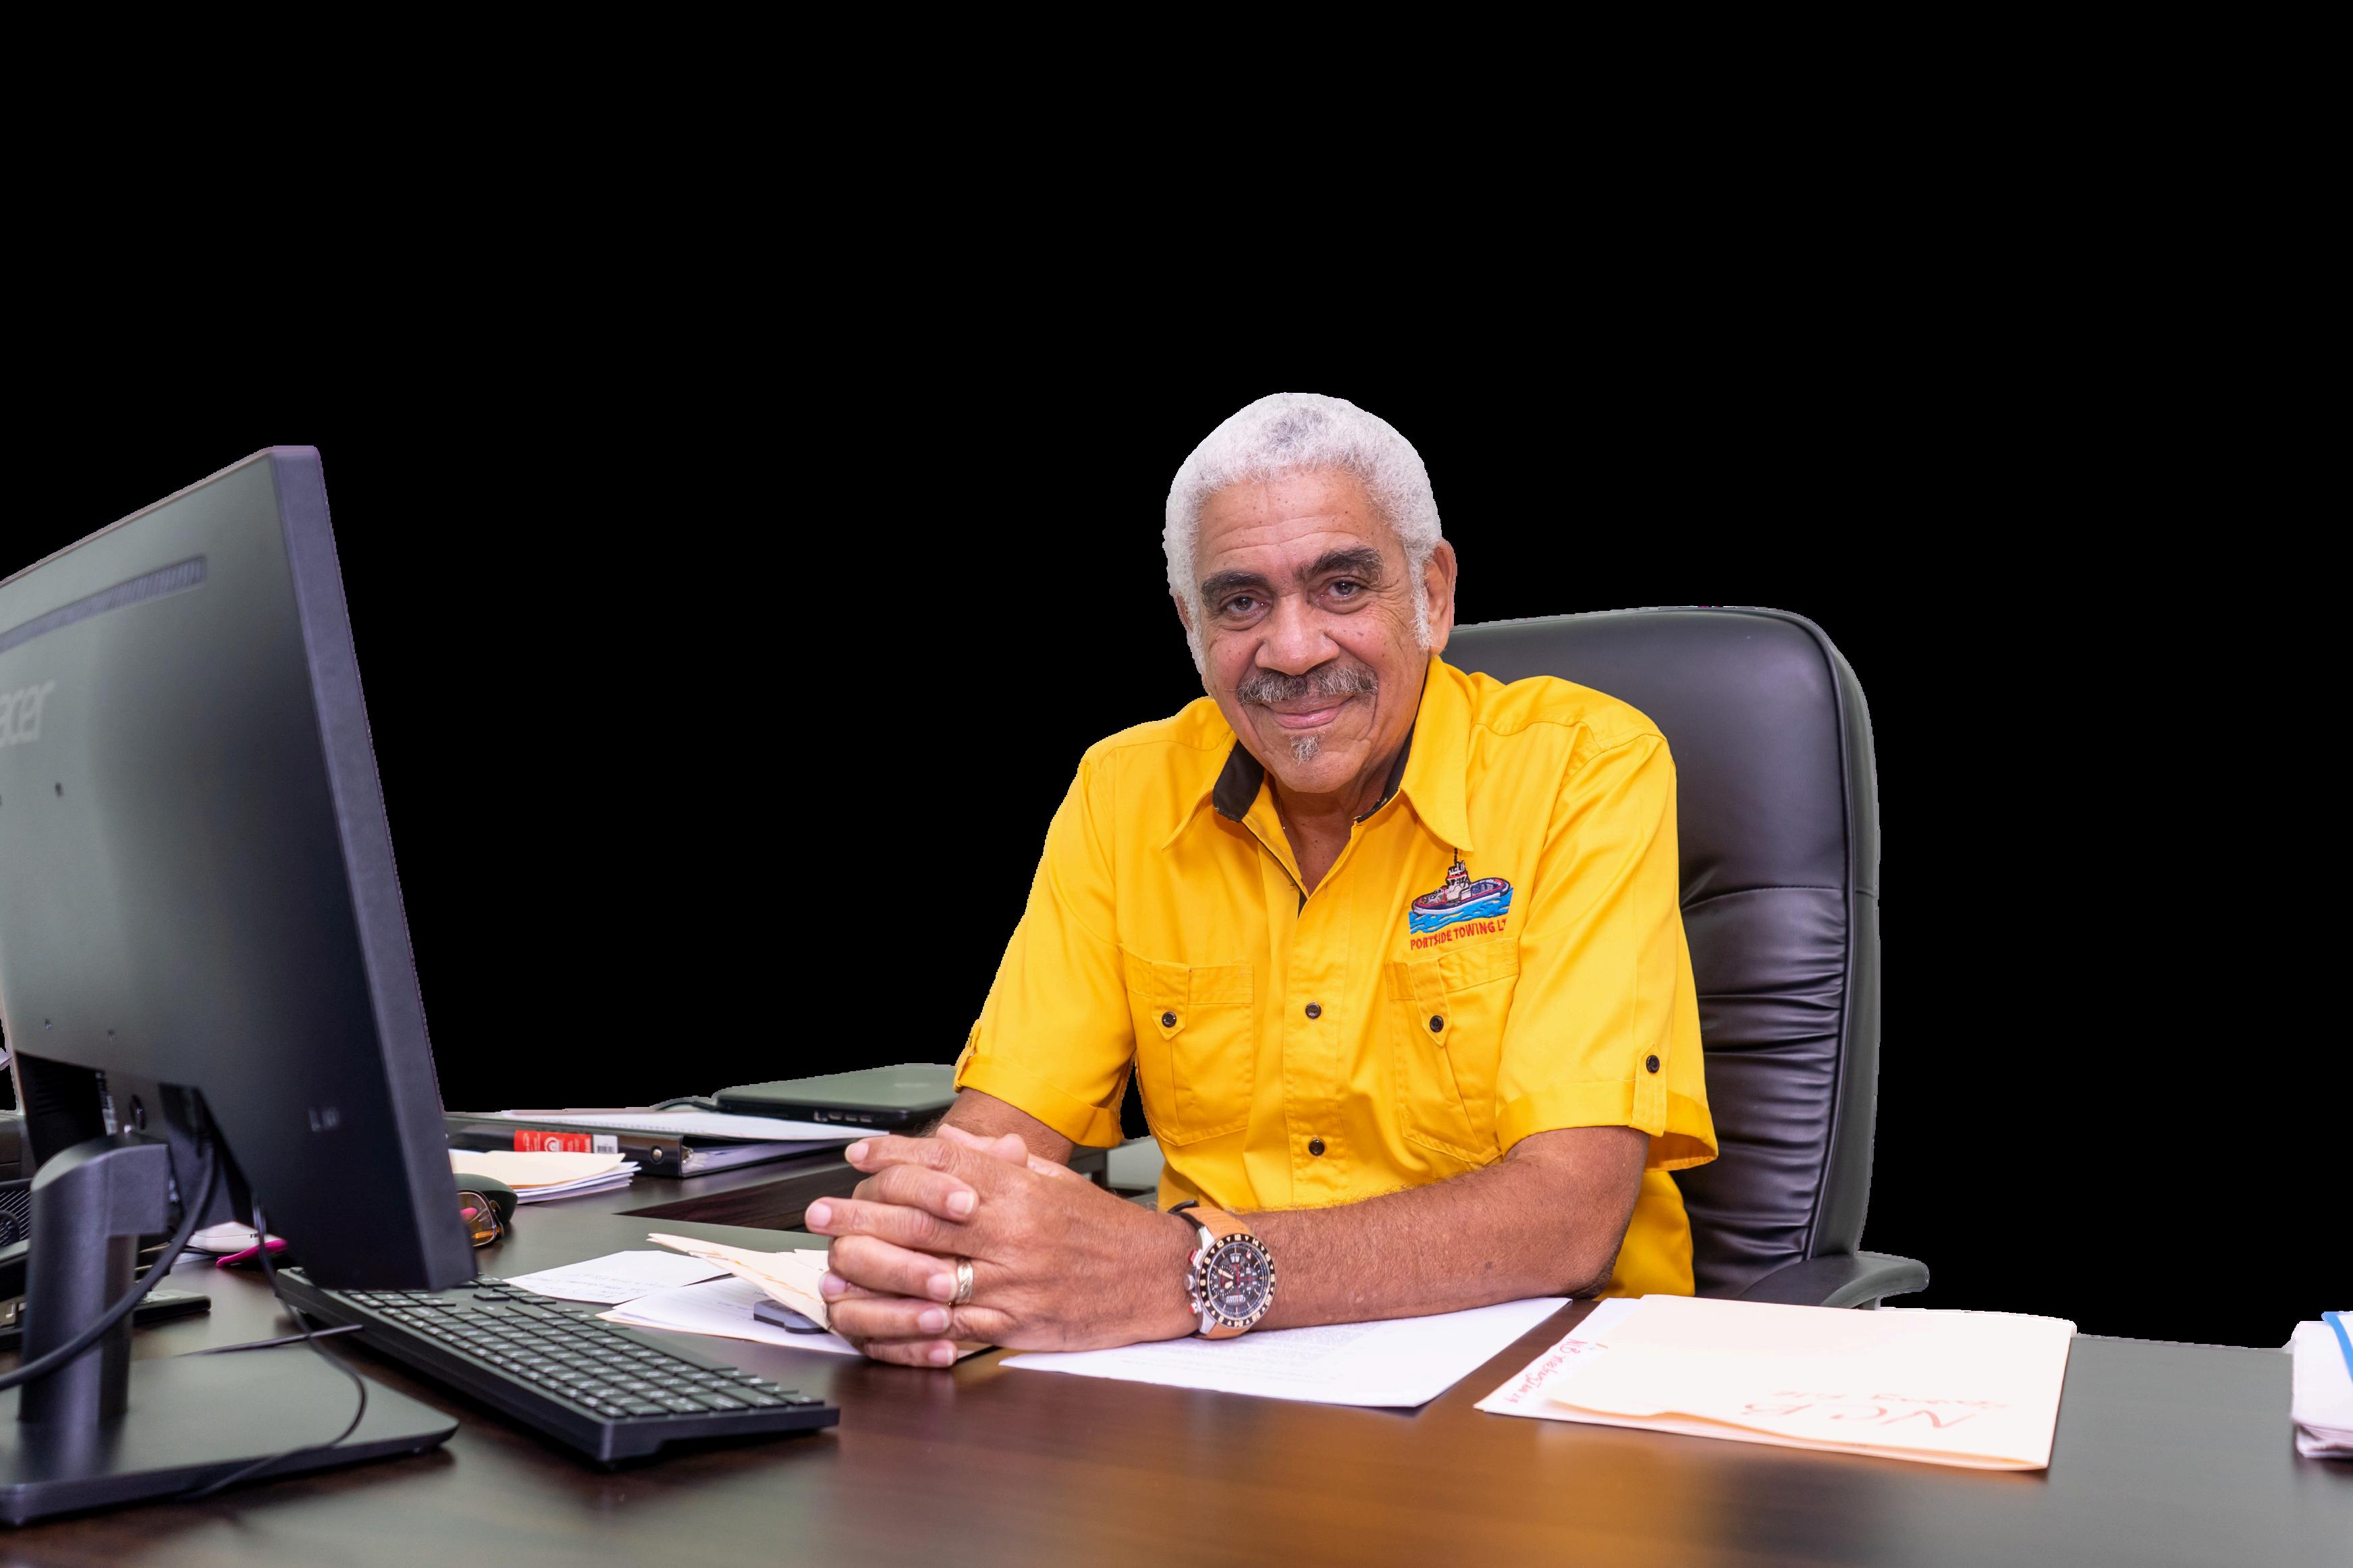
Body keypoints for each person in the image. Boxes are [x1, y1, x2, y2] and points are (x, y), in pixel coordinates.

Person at [809, 392, 1716, 1366]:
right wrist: (922, 1242)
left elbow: (1570, 1216)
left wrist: (1184, 1271)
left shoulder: (1584, 767)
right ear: (1190, 627)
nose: (1292, 650)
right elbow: (1000, 1140)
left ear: (1433, 593)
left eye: (1341, 587)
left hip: (1551, 1376)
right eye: (1240, 603)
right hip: (1220, 1383)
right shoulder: (1123, 791)